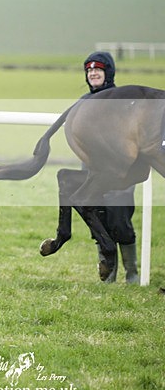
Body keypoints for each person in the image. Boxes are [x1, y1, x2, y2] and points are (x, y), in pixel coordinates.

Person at [82, 51, 138, 283]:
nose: (93, 73)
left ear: (108, 73)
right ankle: (108, 275)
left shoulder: (123, 100)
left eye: (98, 69)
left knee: (119, 221)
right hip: (92, 173)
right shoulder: (83, 103)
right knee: (100, 224)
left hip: (121, 173)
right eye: (89, 70)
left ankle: (132, 273)